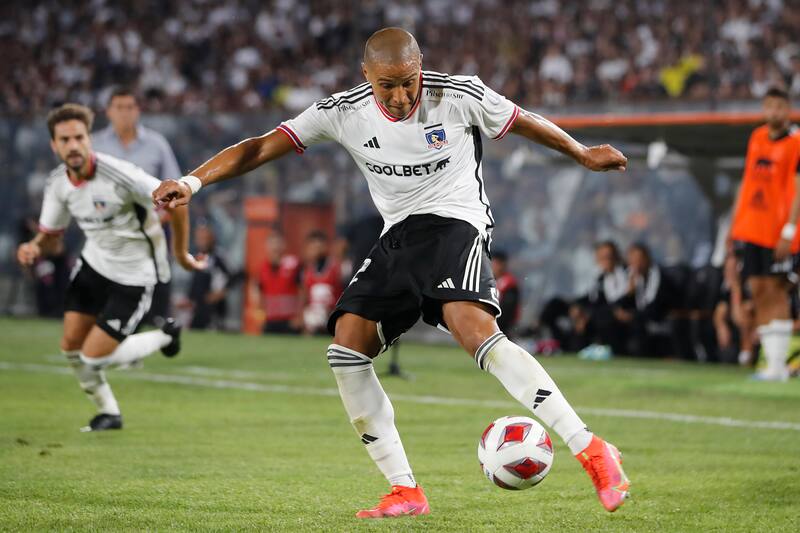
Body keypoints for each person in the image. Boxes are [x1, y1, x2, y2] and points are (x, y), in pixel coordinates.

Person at [153, 28, 630, 515]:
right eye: (387, 85)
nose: (400, 96)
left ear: (420, 66)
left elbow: (523, 121)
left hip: (456, 223)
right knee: (346, 348)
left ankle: (591, 449)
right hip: (399, 236)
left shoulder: (459, 95)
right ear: (367, 75)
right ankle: (405, 489)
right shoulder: (343, 111)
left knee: (473, 329)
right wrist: (193, 181)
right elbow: (258, 148)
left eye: (408, 81)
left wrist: (582, 153)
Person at [17, 103, 204, 432]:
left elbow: (176, 200)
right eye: (65, 140)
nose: (73, 145)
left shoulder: (120, 174)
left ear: (89, 139)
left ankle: (165, 335)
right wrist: (34, 246)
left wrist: (181, 254)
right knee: (71, 348)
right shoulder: (58, 183)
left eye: (79, 137)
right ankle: (109, 413)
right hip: (93, 266)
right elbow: (51, 236)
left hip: (134, 276)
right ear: (54, 145)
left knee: (93, 357)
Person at [93, 86, 183, 324]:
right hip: (109, 231)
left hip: (151, 230)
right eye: (119, 107)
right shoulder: (95, 145)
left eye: (130, 107)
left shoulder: (157, 144)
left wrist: (161, 218)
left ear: (138, 110)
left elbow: (175, 189)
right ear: (108, 111)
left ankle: (155, 329)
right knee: (109, 296)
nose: (125, 112)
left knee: (156, 294)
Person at [729, 87, 800, 380]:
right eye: (769, 106)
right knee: (758, 289)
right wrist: (736, 223)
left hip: (779, 230)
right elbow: (748, 181)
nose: (774, 112)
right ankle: (771, 363)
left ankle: (778, 366)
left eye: (780, 107)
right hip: (751, 227)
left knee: (776, 290)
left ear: (788, 109)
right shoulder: (757, 137)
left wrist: (790, 229)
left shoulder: (797, 142)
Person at [614, 243, 673, 356]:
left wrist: (632, 315)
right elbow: (617, 304)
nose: (636, 263)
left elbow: (655, 309)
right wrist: (628, 293)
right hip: (638, 320)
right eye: (632, 260)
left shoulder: (659, 277)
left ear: (648, 259)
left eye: (639, 259)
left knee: (637, 324)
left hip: (658, 323)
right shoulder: (630, 277)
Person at [179, 224, 231, 330]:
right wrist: (189, 298)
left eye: (204, 238)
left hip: (213, 308)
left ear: (211, 238)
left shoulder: (218, 257)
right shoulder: (197, 257)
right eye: (199, 238)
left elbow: (231, 277)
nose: (201, 241)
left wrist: (220, 293)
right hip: (198, 307)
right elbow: (196, 282)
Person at [257, 231, 301, 334]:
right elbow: (260, 292)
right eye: (272, 243)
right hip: (270, 319)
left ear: (284, 245)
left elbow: (303, 291)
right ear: (267, 246)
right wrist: (261, 314)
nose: (275, 247)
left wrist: (299, 315)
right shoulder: (263, 267)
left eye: (278, 243)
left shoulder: (293, 264)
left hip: (289, 319)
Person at [300, 230, 343, 335]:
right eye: (313, 247)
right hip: (313, 318)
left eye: (319, 246)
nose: (316, 250)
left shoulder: (335, 267)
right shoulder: (307, 271)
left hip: (332, 316)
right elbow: (305, 297)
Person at [490, 250, 520, 337]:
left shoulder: (509, 285)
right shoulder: (488, 281)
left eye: (495, 264)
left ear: (502, 265)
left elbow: (508, 311)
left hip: (503, 328)